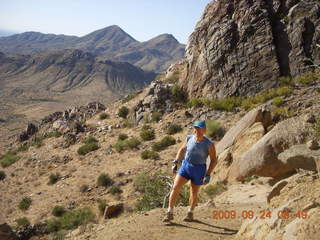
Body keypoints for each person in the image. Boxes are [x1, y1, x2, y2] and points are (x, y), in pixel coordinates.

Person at [162, 120, 217, 222]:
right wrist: (176, 162)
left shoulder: (209, 144)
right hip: (186, 166)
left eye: (199, 128)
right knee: (175, 187)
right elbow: (182, 150)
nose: (197, 130)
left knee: (194, 192)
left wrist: (208, 174)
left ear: (204, 130)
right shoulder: (189, 138)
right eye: (195, 128)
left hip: (199, 169)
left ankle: (190, 212)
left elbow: (214, 160)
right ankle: (169, 212)